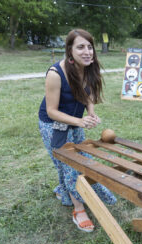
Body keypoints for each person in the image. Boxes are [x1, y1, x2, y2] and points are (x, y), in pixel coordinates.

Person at [38, 29, 117, 232]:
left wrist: (90, 114)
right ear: (69, 50)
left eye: (89, 47)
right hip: (53, 125)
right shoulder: (55, 74)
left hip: (76, 122)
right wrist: (79, 121)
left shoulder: (89, 68)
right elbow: (52, 111)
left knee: (76, 161)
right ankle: (79, 208)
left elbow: (88, 95)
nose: (87, 51)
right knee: (68, 166)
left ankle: (63, 190)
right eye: (80, 47)